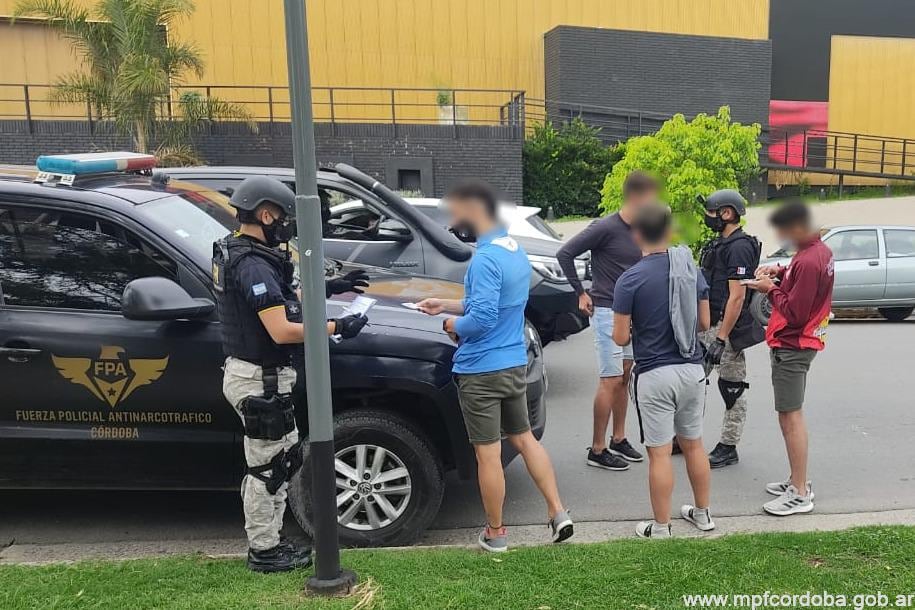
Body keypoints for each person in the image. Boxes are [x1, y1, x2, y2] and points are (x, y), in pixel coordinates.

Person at [213, 176, 370, 573]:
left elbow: (280, 298)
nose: (285, 226)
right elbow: (281, 329)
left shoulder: (248, 253)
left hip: (261, 376)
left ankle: (271, 541)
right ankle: (264, 550)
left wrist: (329, 288)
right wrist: (335, 329)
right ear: (265, 214)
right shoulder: (250, 263)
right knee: (267, 468)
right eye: (282, 218)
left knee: (277, 461)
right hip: (259, 380)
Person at [416, 179, 573, 552]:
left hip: (481, 371)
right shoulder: (513, 249)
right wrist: (448, 303)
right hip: (512, 364)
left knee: (487, 454)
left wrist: (454, 324)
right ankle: (558, 512)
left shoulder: (485, 259)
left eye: (457, 215)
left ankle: (496, 533)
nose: (453, 224)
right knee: (525, 439)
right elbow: (498, 304)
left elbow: (482, 319)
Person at [611, 204, 714, 539]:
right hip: (692, 369)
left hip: (654, 374)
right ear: (669, 232)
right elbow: (704, 323)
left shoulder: (629, 279)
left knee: (659, 453)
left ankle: (661, 526)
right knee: (694, 445)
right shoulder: (690, 270)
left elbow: (621, 337)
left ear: (637, 234)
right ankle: (703, 514)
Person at [557, 171, 660, 472]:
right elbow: (565, 253)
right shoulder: (605, 227)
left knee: (625, 377)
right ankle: (597, 448)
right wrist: (580, 292)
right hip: (606, 311)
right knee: (610, 379)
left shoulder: (643, 229)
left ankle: (619, 438)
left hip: (632, 315)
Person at [745, 199, 834, 516]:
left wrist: (769, 289)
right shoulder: (817, 252)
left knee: (790, 415)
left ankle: (800, 491)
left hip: (794, 342)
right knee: (789, 414)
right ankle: (796, 480)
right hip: (801, 341)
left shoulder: (810, 260)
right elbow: (800, 277)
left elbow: (795, 312)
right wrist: (780, 270)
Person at [697, 189, 765, 468]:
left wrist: (721, 339)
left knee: (731, 387)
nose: (707, 218)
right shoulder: (719, 243)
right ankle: (686, 438)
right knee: (693, 383)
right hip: (707, 325)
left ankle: (728, 445)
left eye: (711, 213)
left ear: (727, 213)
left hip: (726, 331)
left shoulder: (739, 247)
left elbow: (737, 296)